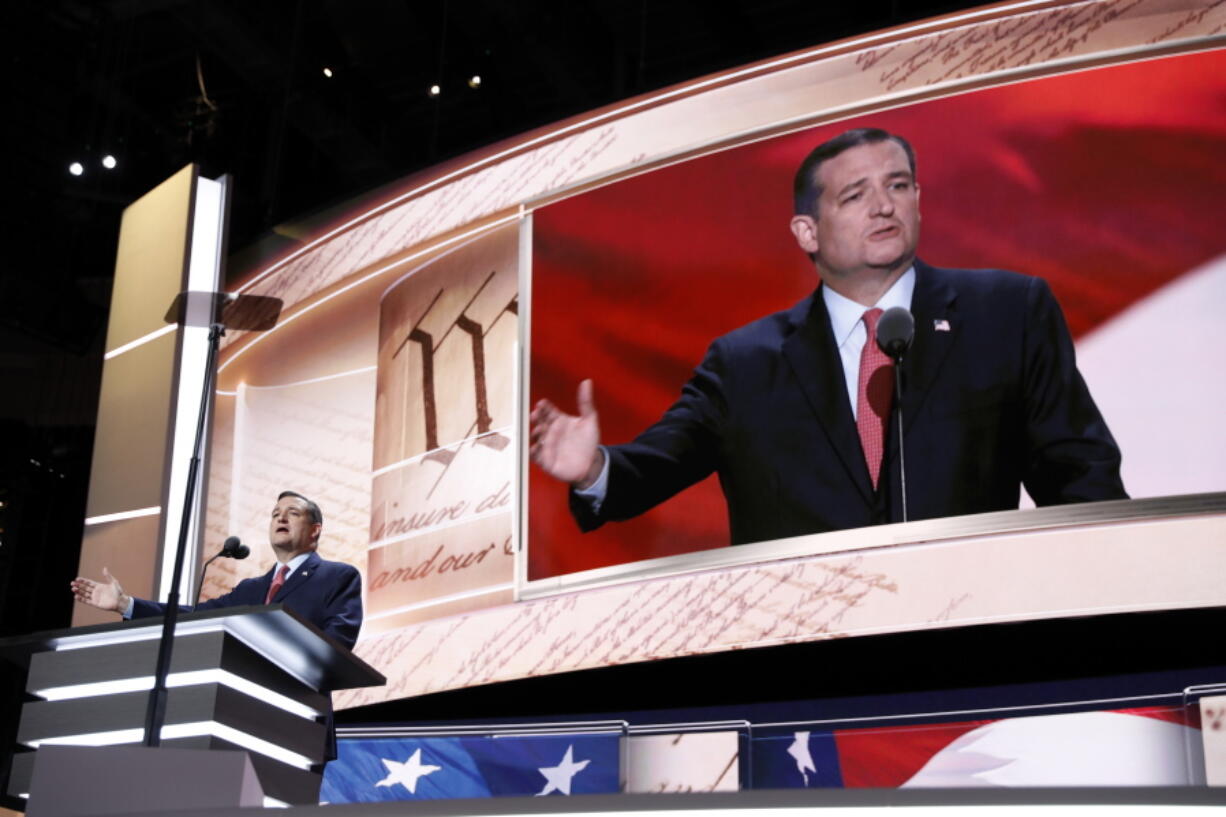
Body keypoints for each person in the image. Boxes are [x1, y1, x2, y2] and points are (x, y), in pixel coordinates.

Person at [529, 128, 1126, 545]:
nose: (883, 207)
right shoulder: (745, 364)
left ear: (919, 200)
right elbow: (657, 466)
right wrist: (592, 469)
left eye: (897, 186)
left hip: (976, 647)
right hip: (808, 683)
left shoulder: (1006, 312)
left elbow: (1080, 477)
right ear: (806, 232)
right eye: (855, 195)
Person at [71, 490, 362, 648]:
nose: (280, 518)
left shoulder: (338, 577)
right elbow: (194, 618)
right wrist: (125, 604)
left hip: (300, 715)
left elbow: (336, 644)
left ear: (315, 530)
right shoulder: (250, 589)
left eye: (293, 513)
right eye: (275, 514)